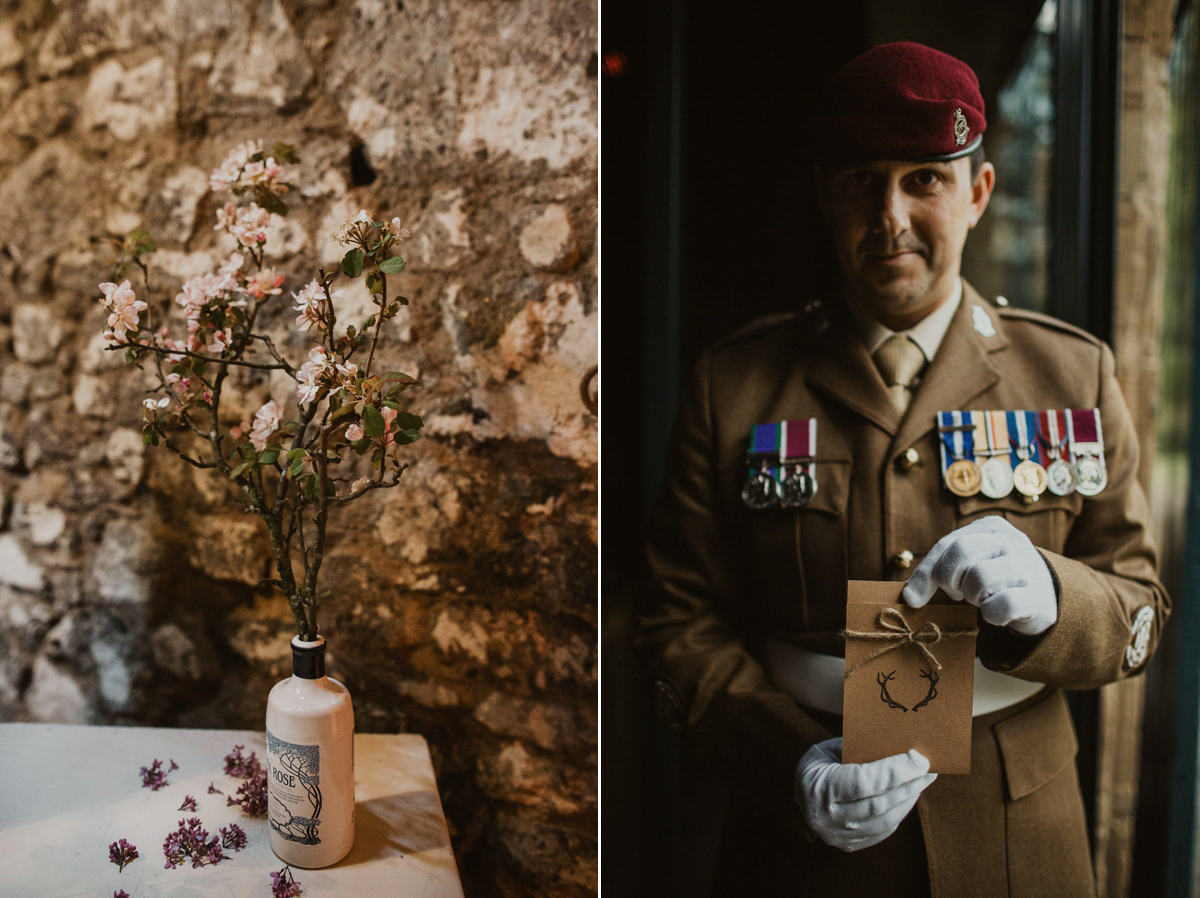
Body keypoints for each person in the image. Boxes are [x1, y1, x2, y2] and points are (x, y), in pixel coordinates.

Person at [637, 41, 1168, 897]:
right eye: (859, 179)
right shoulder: (732, 383)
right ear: (823, 195)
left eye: (924, 178)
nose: (889, 216)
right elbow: (675, 621)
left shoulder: (1072, 375)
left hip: (1017, 832)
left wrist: (1055, 599)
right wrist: (789, 766)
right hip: (802, 837)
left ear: (978, 193)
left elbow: (1140, 604)